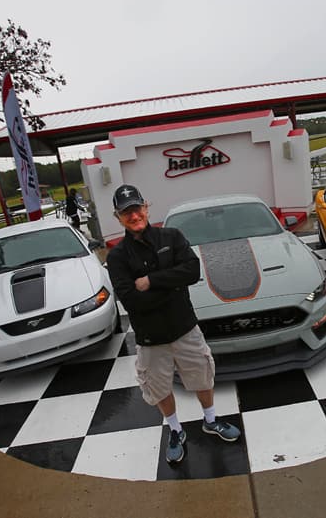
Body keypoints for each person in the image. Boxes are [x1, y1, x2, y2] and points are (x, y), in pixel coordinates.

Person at [106, 184, 240, 464]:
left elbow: (192, 271)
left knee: (203, 376)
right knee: (159, 389)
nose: (133, 216)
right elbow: (131, 301)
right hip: (151, 340)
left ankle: (211, 420)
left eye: (137, 209)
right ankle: (176, 430)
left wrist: (151, 281)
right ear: (118, 216)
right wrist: (172, 285)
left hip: (185, 330)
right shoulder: (117, 257)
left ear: (146, 207)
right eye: (126, 212)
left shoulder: (172, 236)